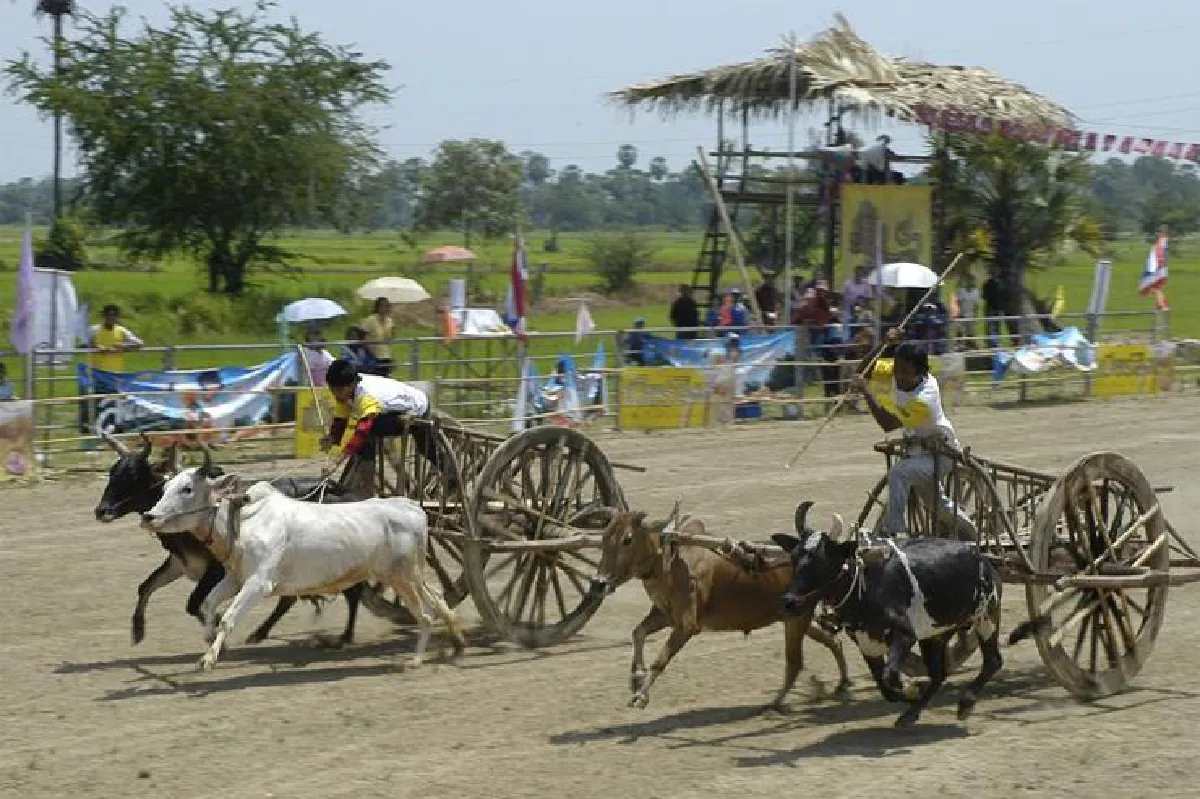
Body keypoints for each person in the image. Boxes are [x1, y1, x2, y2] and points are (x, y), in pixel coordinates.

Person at [851, 334, 977, 542]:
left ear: (920, 373)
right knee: (938, 506)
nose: (898, 376)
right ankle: (972, 534)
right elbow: (864, 370)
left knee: (899, 473)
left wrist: (866, 391)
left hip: (941, 454)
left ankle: (893, 532)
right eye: (896, 369)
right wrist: (883, 344)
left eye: (905, 372)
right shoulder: (900, 371)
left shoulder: (924, 399)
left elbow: (887, 424)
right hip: (917, 453)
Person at [320, 359, 443, 483]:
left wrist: (337, 462)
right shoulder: (347, 389)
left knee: (426, 449)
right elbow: (341, 417)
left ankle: (449, 471)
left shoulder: (366, 396)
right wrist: (332, 438)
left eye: (339, 390)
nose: (335, 394)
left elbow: (362, 430)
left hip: (417, 408)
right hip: (391, 409)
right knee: (364, 439)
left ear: (351, 385)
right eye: (332, 390)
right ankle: (362, 468)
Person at [80, 304, 144, 434]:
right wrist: (96, 346)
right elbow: (84, 344)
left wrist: (123, 346)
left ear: (117, 317)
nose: (111, 318)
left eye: (114, 315)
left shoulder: (122, 331)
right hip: (96, 374)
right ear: (104, 316)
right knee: (94, 404)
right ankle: (91, 433)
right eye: (108, 315)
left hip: (114, 376)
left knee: (113, 404)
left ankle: (111, 432)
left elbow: (139, 344)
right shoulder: (94, 330)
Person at [360, 297, 395, 377]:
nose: (384, 308)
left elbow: (389, 339)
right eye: (382, 306)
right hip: (374, 356)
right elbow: (362, 336)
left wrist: (393, 333)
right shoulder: (370, 320)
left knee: (386, 379)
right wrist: (368, 352)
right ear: (377, 307)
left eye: (387, 306)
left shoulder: (389, 321)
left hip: (386, 356)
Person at [955, 272, 981, 347]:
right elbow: (958, 303)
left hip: (971, 314)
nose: (970, 282)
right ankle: (959, 345)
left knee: (970, 331)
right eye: (969, 280)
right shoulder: (961, 291)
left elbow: (976, 305)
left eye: (972, 280)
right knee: (960, 330)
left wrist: (976, 315)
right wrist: (958, 314)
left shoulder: (976, 292)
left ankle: (969, 345)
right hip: (962, 314)